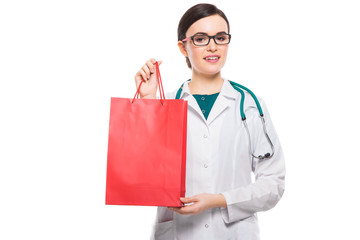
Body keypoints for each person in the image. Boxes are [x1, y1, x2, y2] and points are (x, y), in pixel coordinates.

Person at [134, 3, 285, 240]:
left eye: (220, 37)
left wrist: (219, 200)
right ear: (183, 47)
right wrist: (147, 101)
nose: (213, 46)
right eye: (201, 38)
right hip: (178, 233)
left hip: (233, 232)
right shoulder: (166, 104)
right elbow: (141, 175)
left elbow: (273, 184)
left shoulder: (249, 105)